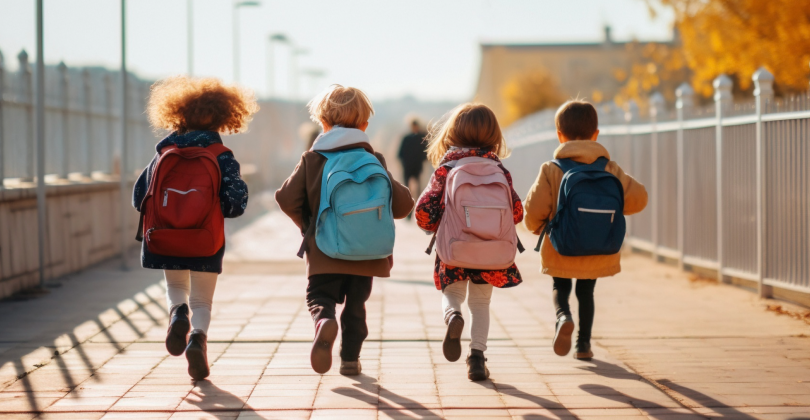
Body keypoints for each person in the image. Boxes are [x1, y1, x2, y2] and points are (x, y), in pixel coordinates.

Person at [275, 85, 414, 376]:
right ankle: (350, 360)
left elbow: (286, 199)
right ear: (365, 124)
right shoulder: (374, 159)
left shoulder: (312, 160)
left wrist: (309, 227)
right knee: (356, 307)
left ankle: (324, 320)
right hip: (367, 254)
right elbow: (403, 206)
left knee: (319, 296)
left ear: (323, 123)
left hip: (325, 251)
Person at [133, 76, 257, 380]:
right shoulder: (221, 156)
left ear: (176, 113)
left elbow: (139, 199)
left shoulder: (163, 154)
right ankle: (198, 339)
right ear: (224, 116)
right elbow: (235, 204)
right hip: (206, 239)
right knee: (203, 300)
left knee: (176, 288)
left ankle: (177, 314)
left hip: (165, 238)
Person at [523, 100, 648, 360]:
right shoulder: (610, 169)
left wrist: (535, 228)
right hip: (598, 245)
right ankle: (583, 345)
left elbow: (534, 210)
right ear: (596, 135)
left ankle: (563, 316)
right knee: (587, 292)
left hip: (561, 245)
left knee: (560, 285)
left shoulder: (551, 169)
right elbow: (640, 198)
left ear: (560, 135)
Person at [415, 103, 524, 381]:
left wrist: (433, 226)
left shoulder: (447, 168)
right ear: (493, 135)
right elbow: (516, 212)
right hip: (491, 250)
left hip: (455, 247)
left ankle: (453, 316)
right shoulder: (499, 169)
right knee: (481, 304)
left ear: (453, 133)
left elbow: (423, 212)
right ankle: (476, 358)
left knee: (452, 294)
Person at [398, 118, 428, 210]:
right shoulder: (419, 138)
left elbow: (400, 154)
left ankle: (416, 207)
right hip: (410, 166)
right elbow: (400, 154)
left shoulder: (417, 138)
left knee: (414, 188)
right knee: (408, 189)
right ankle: (411, 208)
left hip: (413, 166)